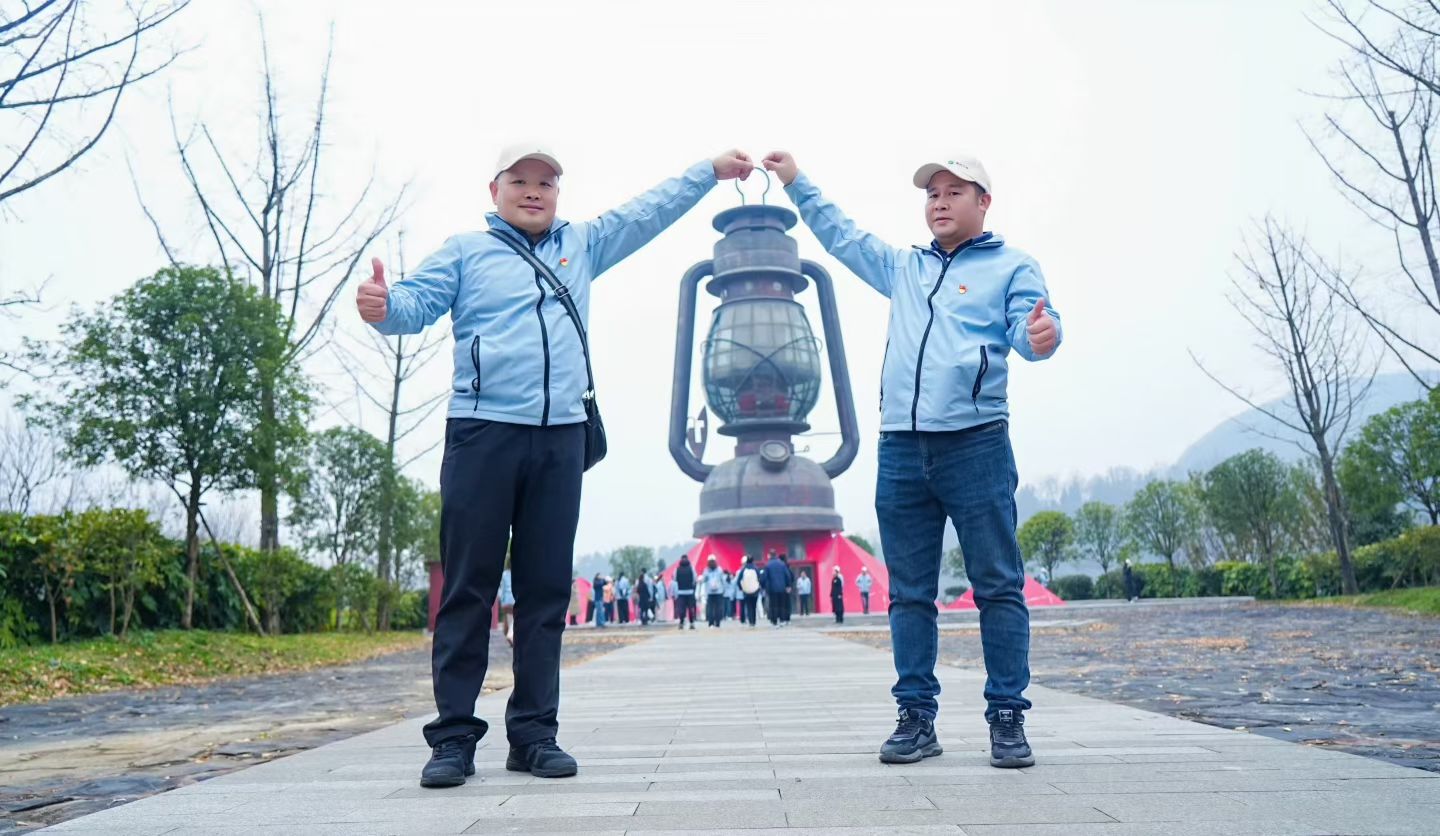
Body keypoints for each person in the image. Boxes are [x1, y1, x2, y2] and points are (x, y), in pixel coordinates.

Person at [361, 144, 752, 787]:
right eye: (520, 180)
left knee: (544, 593)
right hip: (482, 433)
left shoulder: (583, 244)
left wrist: (707, 173)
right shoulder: (465, 252)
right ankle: (453, 739)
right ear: (494, 190)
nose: (533, 191)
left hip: (560, 437)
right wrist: (382, 307)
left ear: (558, 193)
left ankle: (534, 735)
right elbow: (411, 306)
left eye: (545, 183)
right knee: (468, 590)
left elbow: (648, 211)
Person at [764, 149, 1061, 770]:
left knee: (997, 585)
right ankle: (916, 718)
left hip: (976, 442)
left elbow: (1029, 328)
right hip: (901, 445)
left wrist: (1042, 336)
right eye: (932, 194)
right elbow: (842, 235)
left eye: (955, 192)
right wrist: (795, 181)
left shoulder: (1012, 265)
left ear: (984, 202)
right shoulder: (904, 268)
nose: (940, 202)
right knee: (908, 594)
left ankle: (1007, 718)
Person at [763, 552, 791, 627]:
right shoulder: (782, 564)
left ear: (770, 556)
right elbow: (787, 575)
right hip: (782, 588)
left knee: (773, 605)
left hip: (772, 588)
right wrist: (788, 585)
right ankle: (782, 620)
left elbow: (765, 577)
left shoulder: (768, 565)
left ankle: (774, 621)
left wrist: (764, 586)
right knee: (781, 604)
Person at [701, 556, 726, 627]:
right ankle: (717, 623)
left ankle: (711, 623)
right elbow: (723, 580)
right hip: (719, 592)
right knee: (718, 608)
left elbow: (703, 580)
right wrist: (723, 590)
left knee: (710, 608)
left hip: (710, 592)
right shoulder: (719, 569)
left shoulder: (706, 570)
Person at [674, 555, 697, 630]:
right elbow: (694, 579)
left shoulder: (677, 569)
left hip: (681, 592)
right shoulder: (691, 568)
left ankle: (681, 623)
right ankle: (691, 623)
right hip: (690, 591)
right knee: (691, 608)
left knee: (681, 609)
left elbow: (675, 579)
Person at [737, 556, 761, 626]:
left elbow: (738, 580)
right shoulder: (756, 568)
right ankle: (753, 621)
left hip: (746, 591)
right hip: (755, 591)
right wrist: (758, 587)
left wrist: (741, 588)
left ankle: (750, 621)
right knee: (754, 606)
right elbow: (760, 578)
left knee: (749, 606)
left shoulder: (743, 569)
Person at [499, 560, 515, 636]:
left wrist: (502, 602)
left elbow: (503, 589)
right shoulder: (517, 574)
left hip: (506, 601)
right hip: (514, 599)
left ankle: (508, 633)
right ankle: (510, 633)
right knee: (513, 617)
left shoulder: (504, 574)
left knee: (507, 617)